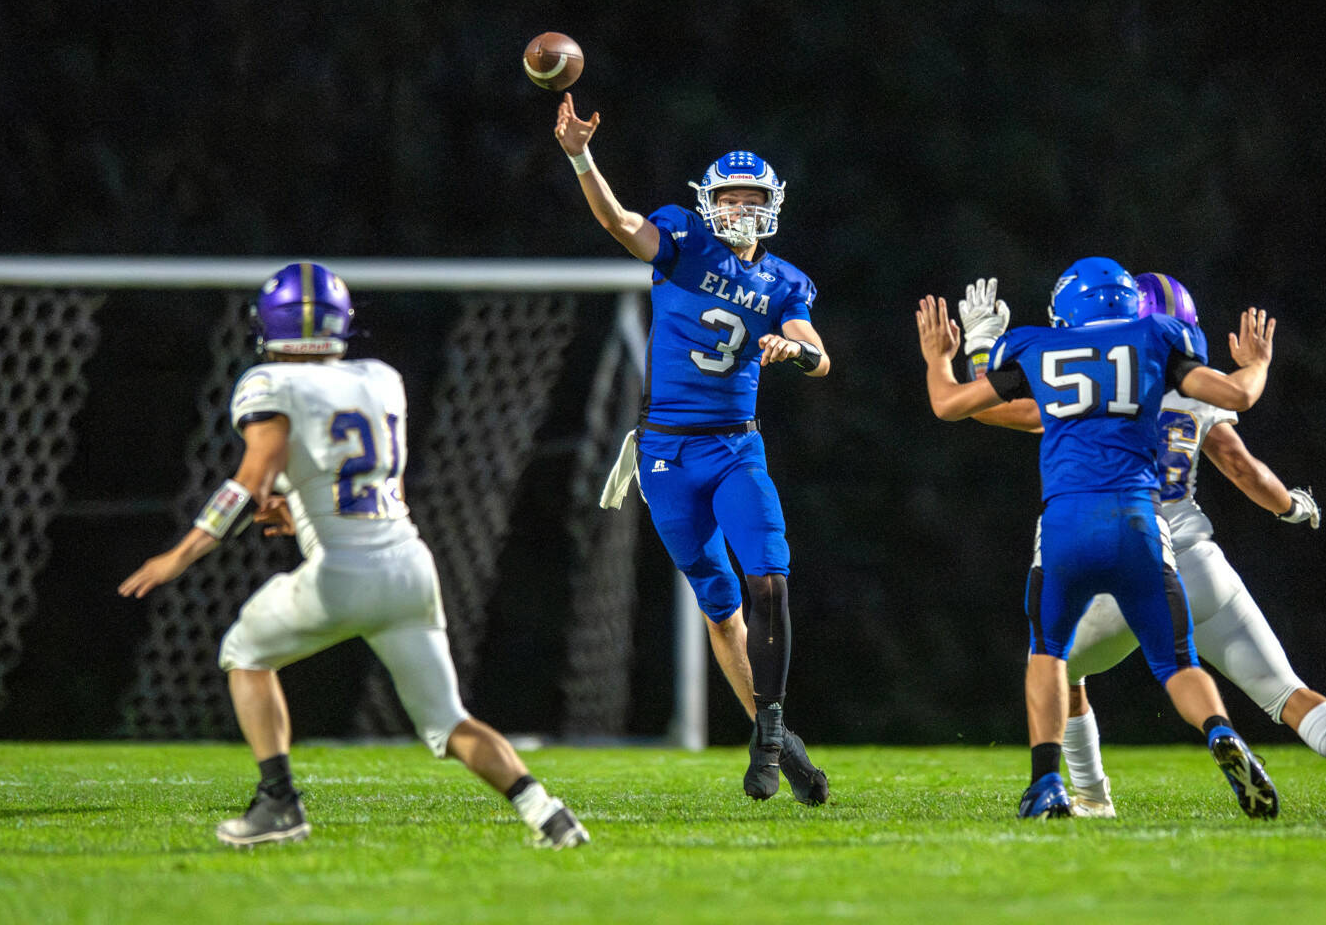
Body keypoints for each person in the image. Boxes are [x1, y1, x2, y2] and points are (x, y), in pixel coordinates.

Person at [118, 262, 591, 850]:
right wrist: (296, 506)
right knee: (447, 722)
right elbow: (349, 473)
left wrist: (179, 556)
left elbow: (248, 481)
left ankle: (278, 804)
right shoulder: (380, 378)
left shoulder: (270, 383)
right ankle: (548, 814)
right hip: (409, 567)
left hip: (342, 574)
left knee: (244, 653)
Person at [961, 272, 1326, 819]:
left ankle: (1092, 796)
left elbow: (983, 405)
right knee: (1284, 691)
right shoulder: (1193, 382)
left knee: (1059, 668)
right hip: (1196, 559)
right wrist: (1291, 505)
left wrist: (981, 347)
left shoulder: (1089, 378)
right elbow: (1243, 468)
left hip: (1122, 552)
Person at [916, 257, 1280, 820]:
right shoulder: (1157, 338)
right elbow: (1237, 395)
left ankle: (1047, 783)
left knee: (1049, 652)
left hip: (1067, 523)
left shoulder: (1038, 345)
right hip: (1139, 522)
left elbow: (952, 404)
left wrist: (946, 356)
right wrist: (1257, 364)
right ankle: (1218, 733)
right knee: (1177, 662)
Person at [553, 93, 830, 805]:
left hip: (736, 449)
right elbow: (617, 222)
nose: (740, 208)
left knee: (769, 578)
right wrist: (582, 155)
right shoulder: (681, 241)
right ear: (709, 202)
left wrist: (791, 351)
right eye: (730, 197)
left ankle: (767, 732)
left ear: (771, 205)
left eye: (751, 198)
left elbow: (819, 355)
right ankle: (776, 734)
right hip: (666, 454)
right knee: (719, 605)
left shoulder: (783, 282)